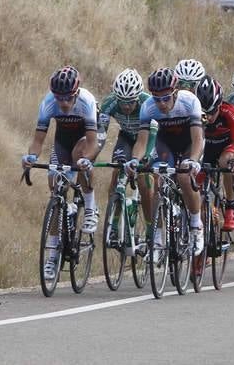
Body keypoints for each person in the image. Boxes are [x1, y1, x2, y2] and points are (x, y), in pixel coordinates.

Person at [22, 66, 105, 281]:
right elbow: (37, 141)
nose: (64, 103)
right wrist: (31, 158)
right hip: (63, 138)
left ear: (76, 93)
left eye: (68, 98)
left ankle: (90, 206)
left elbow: (93, 142)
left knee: (80, 157)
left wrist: (87, 159)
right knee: (55, 186)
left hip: (90, 136)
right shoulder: (48, 103)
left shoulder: (86, 101)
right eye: (59, 98)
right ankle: (52, 256)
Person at [128, 67, 206, 257]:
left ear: (175, 92)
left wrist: (193, 161)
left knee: (184, 177)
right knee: (157, 179)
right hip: (166, 144)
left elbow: (197, 140)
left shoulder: (189, 101)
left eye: (166, 98)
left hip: (190, 143)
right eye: (157, 98)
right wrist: (134, 160)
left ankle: (196, 225)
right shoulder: (148, 106)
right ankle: (157, 237)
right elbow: (142, 141)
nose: (161, 104)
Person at [99, 68, 152, 217]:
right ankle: (112, 223)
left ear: (137, 97)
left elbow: (153, 134)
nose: (126, 106)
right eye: (122, 102)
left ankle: (150, 228)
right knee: (117, 171)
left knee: (143, 181)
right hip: (127, 137)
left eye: (130, 102)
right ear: (116, 97)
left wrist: (145, 157)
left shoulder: (147, 103)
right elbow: (100, 133)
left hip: (148, 138)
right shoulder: (109, 103)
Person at [195, 75, 234, 231]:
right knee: (196, 185)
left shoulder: (230, 112)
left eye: (212, 111)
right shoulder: (193, 112)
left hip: (226, 146)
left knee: (227, 162)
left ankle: (231, 207)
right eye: (205, 113)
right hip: (206, 148)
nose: (209, 117)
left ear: (220, 104)